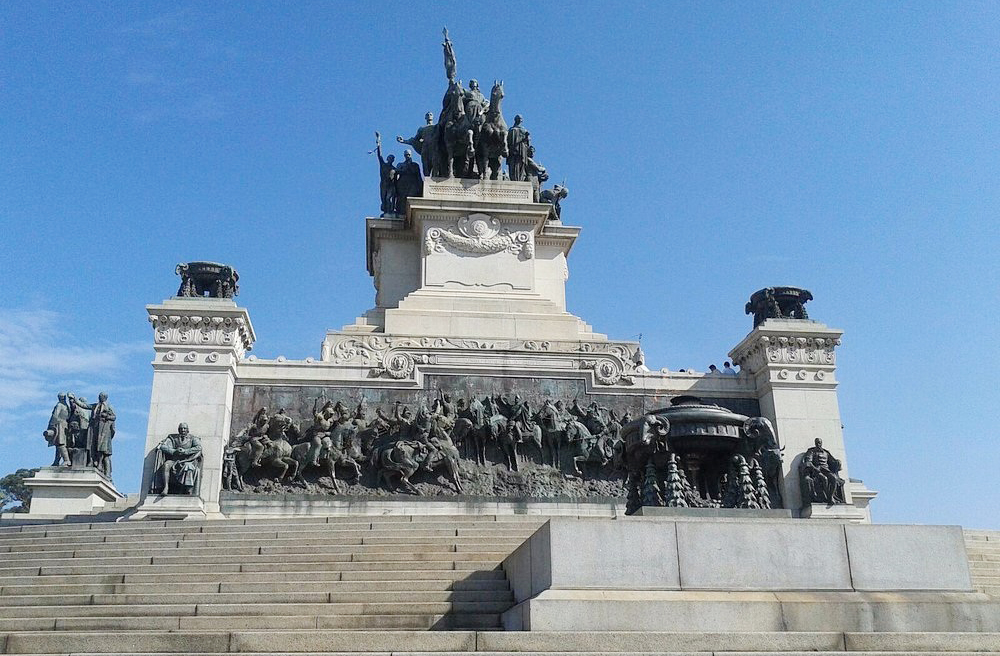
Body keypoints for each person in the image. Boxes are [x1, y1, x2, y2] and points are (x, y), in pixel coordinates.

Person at [153, 423, 203, 495]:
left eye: (184, 428)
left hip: (188, 460)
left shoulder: (193, 438)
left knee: (188, 466)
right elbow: (163, 446)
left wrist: (185, 451)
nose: (183, 430)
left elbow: (198, 448)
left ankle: (188, 490)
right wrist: (174, 451)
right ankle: (166, 487)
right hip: (174, 460)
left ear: (187, 430)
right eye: (181, 428)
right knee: (166, 465)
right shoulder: (173, 438)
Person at [799, 438, 845, 504]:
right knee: (825, 479)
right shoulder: (812, 452)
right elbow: (809, 462)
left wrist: (838, 462)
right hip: (817, 470)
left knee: (834, 479)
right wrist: (815, 468)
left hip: (826, 470)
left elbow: (832, 461)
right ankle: (828, 497)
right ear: (815, 443)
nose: (818, 444)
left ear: (821, 443)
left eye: (819, 443)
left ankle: (831, 495)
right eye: (817, 443)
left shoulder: (826, 453)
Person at [397, 112, 439, 177]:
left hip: (434, 148)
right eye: (427, 115)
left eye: (430, 115)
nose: (429, 116)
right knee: (426, 166)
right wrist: (403, 141)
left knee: (436, 164)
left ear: (433, 117)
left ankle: (435, 180)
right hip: (425, 148)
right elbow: (414, 140)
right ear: (425, 117)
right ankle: (427, 180)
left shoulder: (436, 127)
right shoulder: (422, 129)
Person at [88, 392, 116, 477]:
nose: (100, 398)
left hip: (104, 432)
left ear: (105, 397)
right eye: (99, 396)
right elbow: (85, 406)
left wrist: (106, 416)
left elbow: (114, 417)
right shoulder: (95, 406)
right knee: (95, 447)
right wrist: (75, 400)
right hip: (96, 430)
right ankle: (96, 463)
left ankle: (105, 471)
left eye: (101, 396)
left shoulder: (108, 406)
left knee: (104, 452)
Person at [374, 132, 397, 216]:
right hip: (383, 185)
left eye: (392, 158)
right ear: (387, 159)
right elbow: (379, 154)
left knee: (388, 199)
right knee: (384, 200)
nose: (391, 159)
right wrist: (378, 141)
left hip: (391, 186)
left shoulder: (394, 169)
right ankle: (386, 211)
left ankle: (390, 211)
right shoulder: (383, 164)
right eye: (390, 158)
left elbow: (396, 179)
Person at [394, 150, 423, 214]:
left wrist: (421, 185)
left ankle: (411, 212)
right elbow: (396, 173)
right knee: (402, 198)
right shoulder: (400, 164)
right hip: (402, 183)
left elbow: (418, 175)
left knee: (411, 197)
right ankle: (401, 212)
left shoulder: (415, 165)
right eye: (406, 155)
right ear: (404, 156)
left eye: (409, 155)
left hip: (412, 183)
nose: (408, 156)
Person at [46, 393, 72, 466]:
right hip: (65, 425)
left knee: (61, 443)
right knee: (58, 444)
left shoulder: (59, 405)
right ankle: (56, 461)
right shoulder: (67, 406)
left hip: (59, 425)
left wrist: (50, 425)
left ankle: (67, 460)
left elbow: (55, 415)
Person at [506, 115, 530, 182]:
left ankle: (520, 179)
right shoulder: (511, 129)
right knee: (513, 164)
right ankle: (513, 178)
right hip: (513, 150)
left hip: (522, 150)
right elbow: (508, 141)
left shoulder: (524, 130)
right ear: (515, 120)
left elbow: (527, 142)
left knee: (520, 165)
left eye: (521, 119)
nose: (520, 120)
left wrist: (527, 137)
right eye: (518, 118)